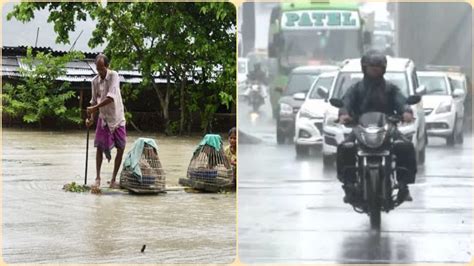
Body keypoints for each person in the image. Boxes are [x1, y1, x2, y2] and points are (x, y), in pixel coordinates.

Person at [336, 50, 417, 203]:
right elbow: (346, 101)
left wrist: (406, 111)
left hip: (387, 127)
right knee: (345, 147)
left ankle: (404, 186)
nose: (375, 70)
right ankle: (348, 185)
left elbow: (401, 101)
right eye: (372, 67)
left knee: (406, 146)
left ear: (384, 69)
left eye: (379, 67)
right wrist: (344, 113)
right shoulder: (356, 89)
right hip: (361, 127)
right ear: (364, 68)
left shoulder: (390, 88)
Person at [86, 54, 126, 189]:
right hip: (104, 118)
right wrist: (90, 118)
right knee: (99, 148)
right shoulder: (94, 81)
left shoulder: (114, 76)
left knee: (121, 148)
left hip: (117, 117)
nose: (100, 72)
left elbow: (111, 98)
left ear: (107, 67)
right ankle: (97, 178)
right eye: (98, 70)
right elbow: (93, 100)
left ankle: (113, 179)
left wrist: (94, 108)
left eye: (102, 69)